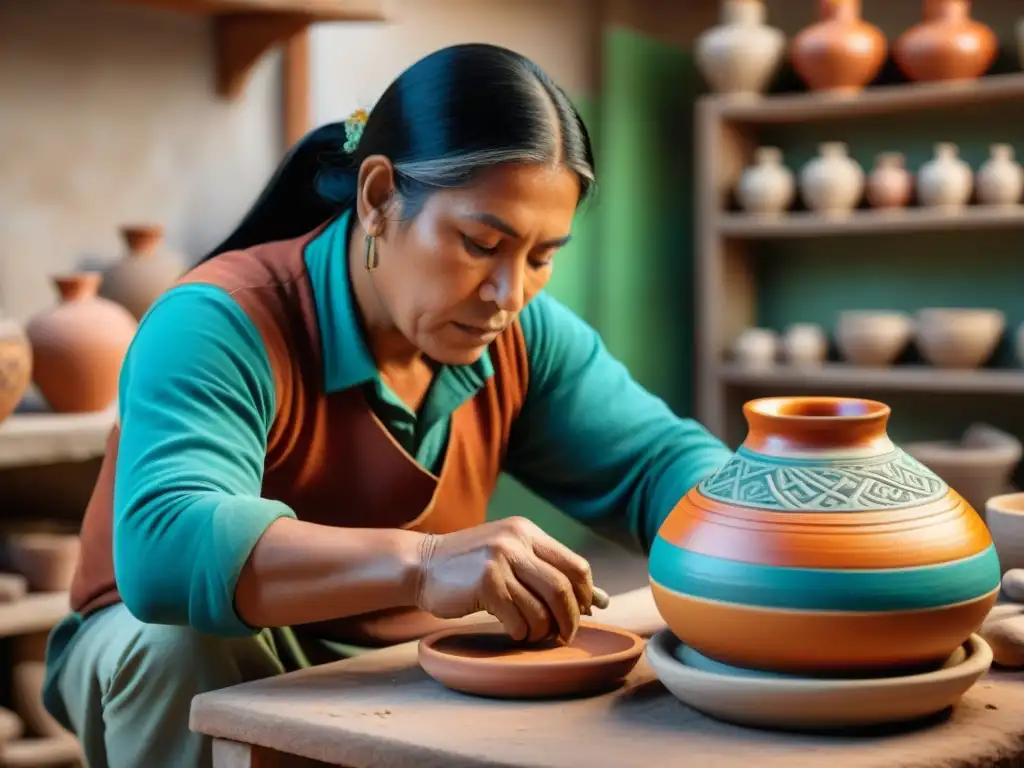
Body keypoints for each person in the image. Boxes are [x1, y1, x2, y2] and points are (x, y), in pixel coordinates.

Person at [42, 43, 731, 768]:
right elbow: (164, 549)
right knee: (176, 642)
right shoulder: (218, 321)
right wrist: (425, 562)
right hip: (178, 650)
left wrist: (765, 530)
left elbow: (659, 464)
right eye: (479, 243)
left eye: (540, 256)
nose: (509, 293)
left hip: (392, 658)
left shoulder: (520, 334)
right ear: (376, 199)